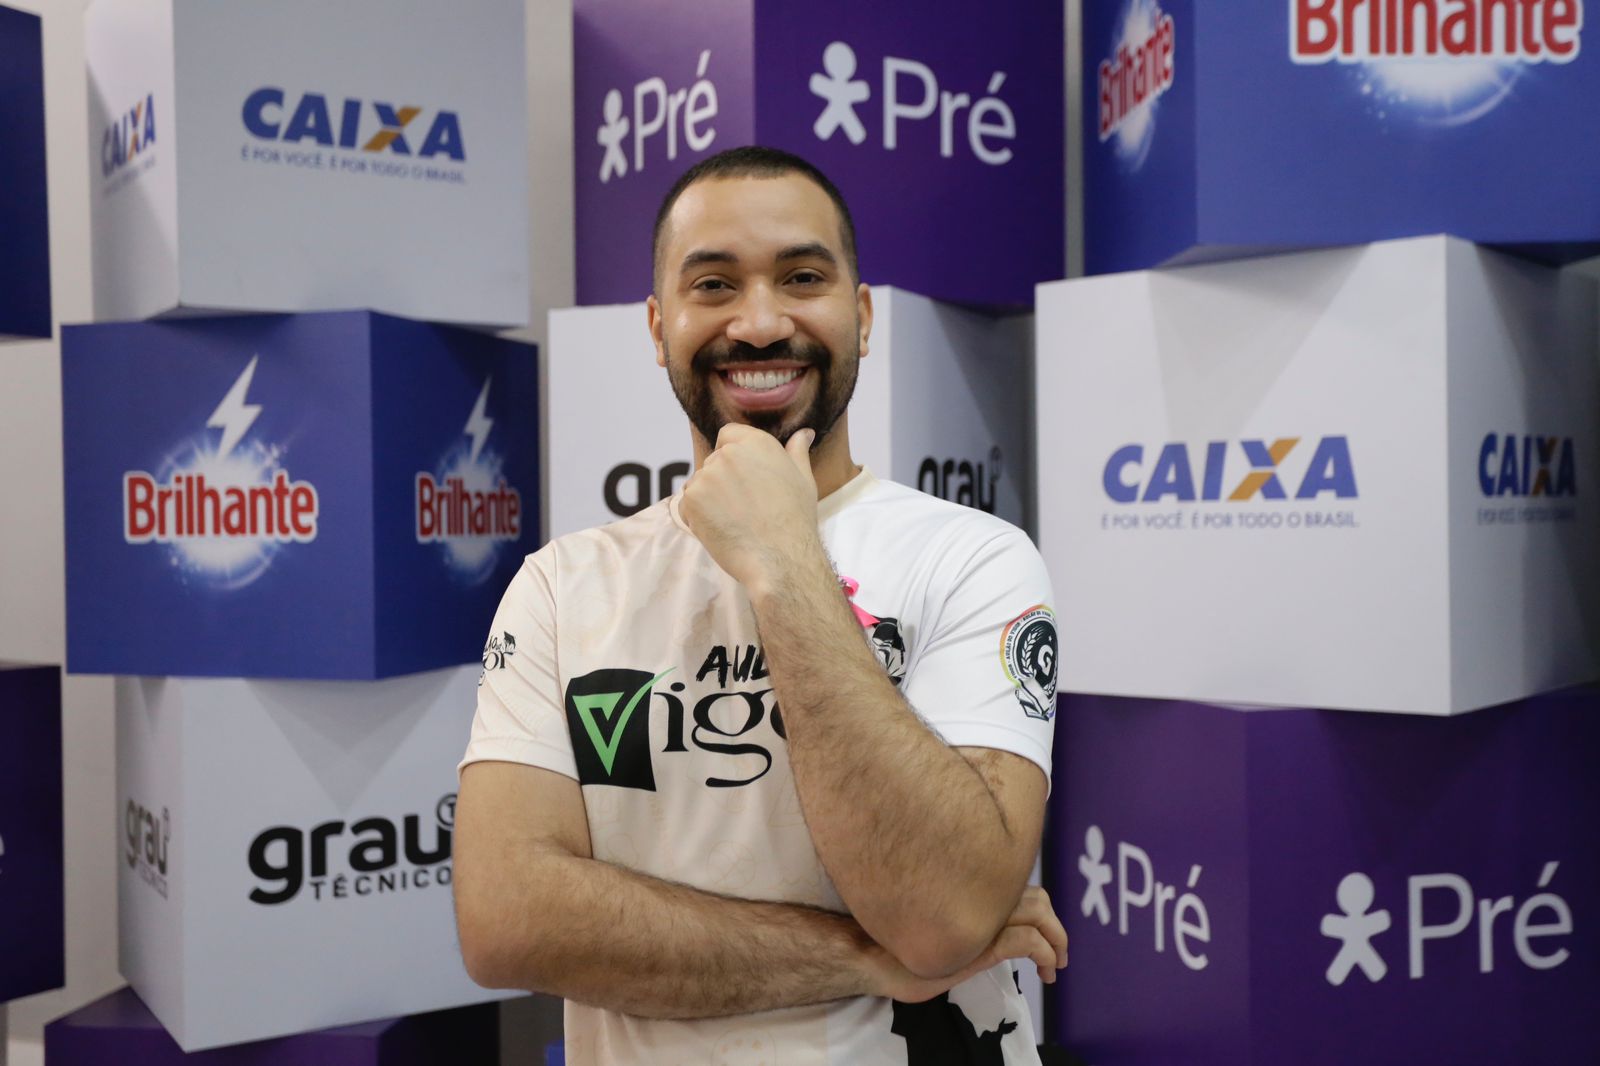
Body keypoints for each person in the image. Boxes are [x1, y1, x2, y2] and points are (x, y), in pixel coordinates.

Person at [454, 145, 1066, 1065]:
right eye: (714, 285)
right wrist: (861, 955)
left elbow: (939, 914)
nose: (760, 321)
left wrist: (784, 559)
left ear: (860, 315)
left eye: (803, 276)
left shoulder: (975, 560)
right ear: (658, 328)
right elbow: (507, 921)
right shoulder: (560, 586)